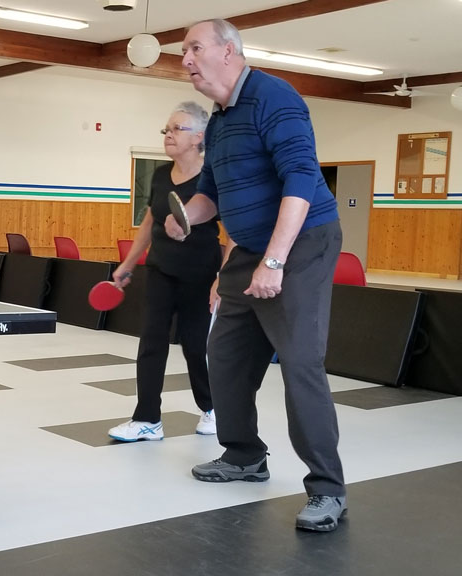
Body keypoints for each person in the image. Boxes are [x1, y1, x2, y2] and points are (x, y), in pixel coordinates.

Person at [172, 19, 347, 532]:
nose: (184, 59)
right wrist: (185, 215)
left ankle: (328, 489)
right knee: (224, 354)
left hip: (303, 241)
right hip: (250, 246)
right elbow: (210, 193)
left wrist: (274, 260)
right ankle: (244, 455)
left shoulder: (276, 98)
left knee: (299, 363)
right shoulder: (222, 119)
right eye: (183, 51)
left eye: (193, 48)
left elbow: (302, 179)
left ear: (228, 52)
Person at [107, 101, 226, 442]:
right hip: (160, 269)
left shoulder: (212, 176)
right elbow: (150, 220)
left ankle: (212, 408)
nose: (169, 135)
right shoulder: (160, 175)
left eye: (178, 129)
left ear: (199, 137)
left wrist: (223, 277)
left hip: (199, 273)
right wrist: (129, 264)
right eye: (167, 129)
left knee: (194, 345)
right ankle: (147, 419)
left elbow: (232, 233)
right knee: (151, 342)